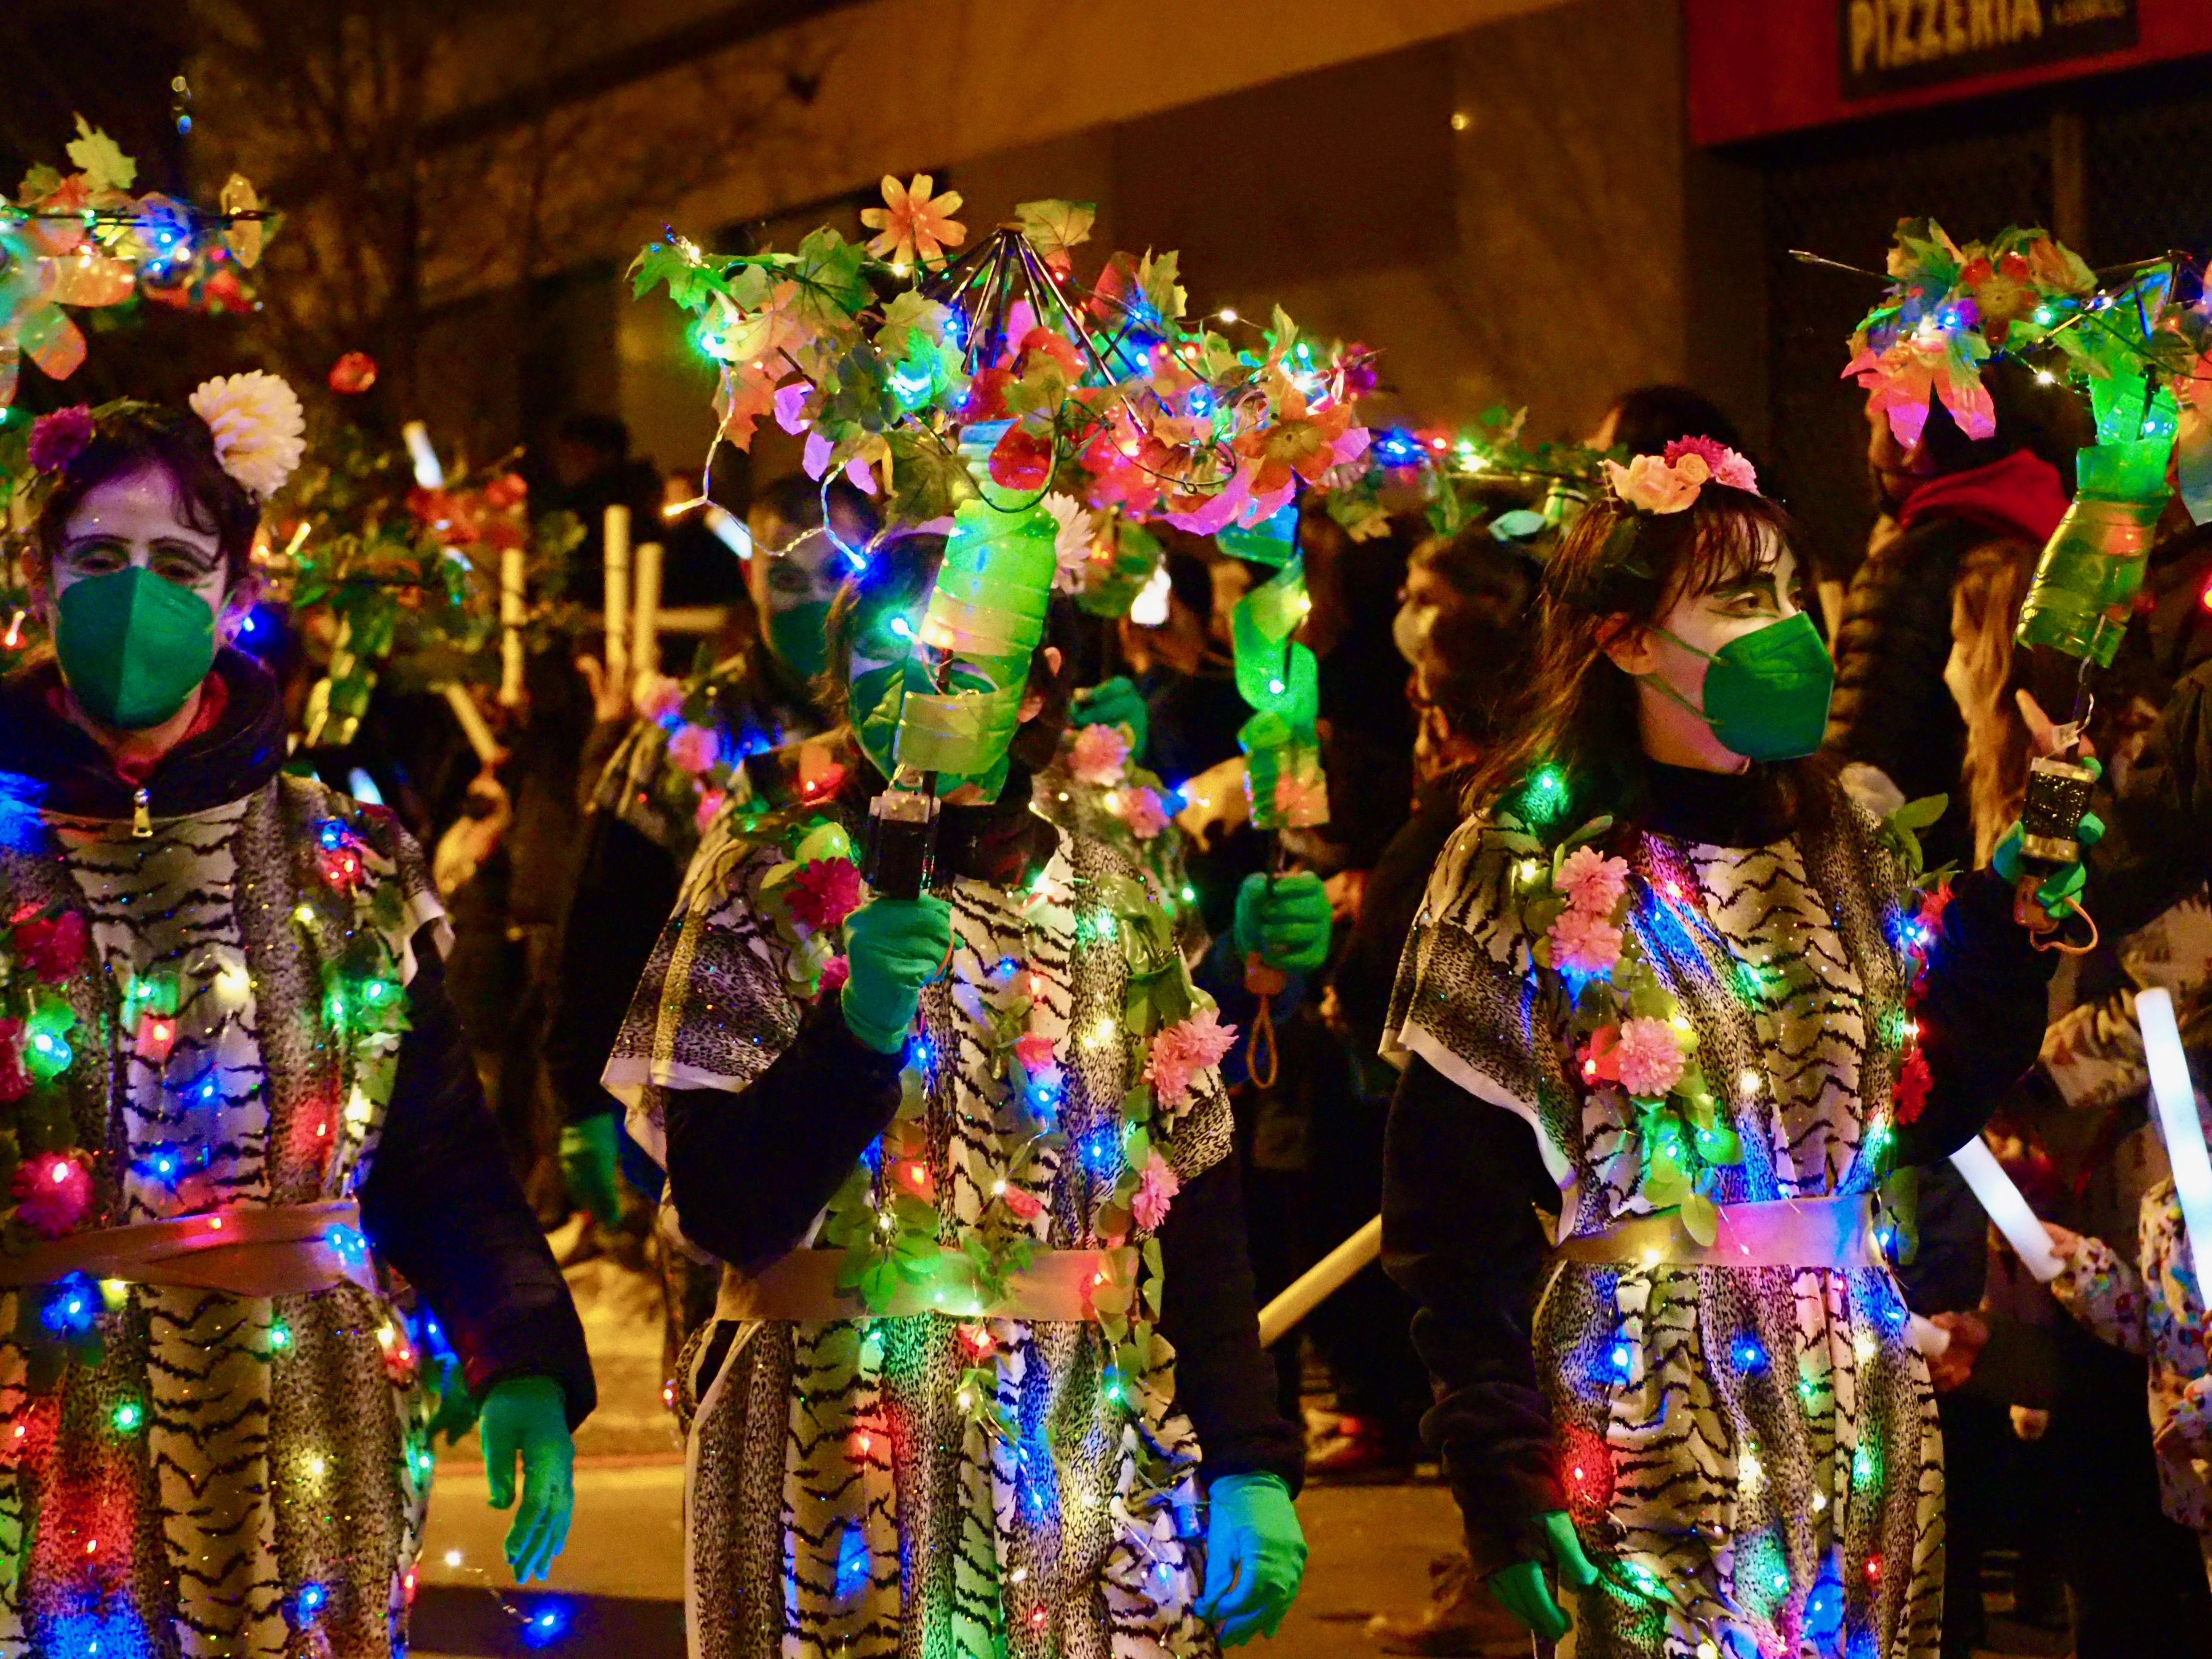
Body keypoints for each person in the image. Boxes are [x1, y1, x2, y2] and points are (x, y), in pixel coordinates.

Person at [1382, 440, 2066, 1658]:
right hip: (1642, 1402)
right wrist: (1495, 1458)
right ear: (1625, 638)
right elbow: (1449, 1197)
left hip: (1853, 1400)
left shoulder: (1848, 842)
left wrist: (2008, 924)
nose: (1784, 624)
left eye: (1790, 591)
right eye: (1739, 599)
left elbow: (1918, 1099)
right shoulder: (1522, 860)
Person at [604, 532, 1311, 1656]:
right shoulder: (763, 869)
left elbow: (1197, 1204)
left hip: (1080, 1464)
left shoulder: (1113, 893)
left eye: (966, 653)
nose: (925, 684)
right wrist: (858, 1031)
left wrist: (1249, 1461)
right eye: (891, 652)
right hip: (827, 1471)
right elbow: (723, 1205)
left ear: (1039, 684)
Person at [0, 388, 592, 1656]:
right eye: (97, 561)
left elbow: (438, 1150)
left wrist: (522, 1349)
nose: (134, 595)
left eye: (174, 564)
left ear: (232, 590)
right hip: (33, 1454)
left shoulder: (345, 861)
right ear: (38, 580)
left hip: (304, 1458)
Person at [1827, 359, 2086, 871]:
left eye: (1878, 424)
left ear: (1913, 446)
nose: (1867, 428)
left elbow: (1863, 772)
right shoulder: (2062, 550)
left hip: (1939, 892)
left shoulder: (1907, 569)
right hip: (2044, 873)